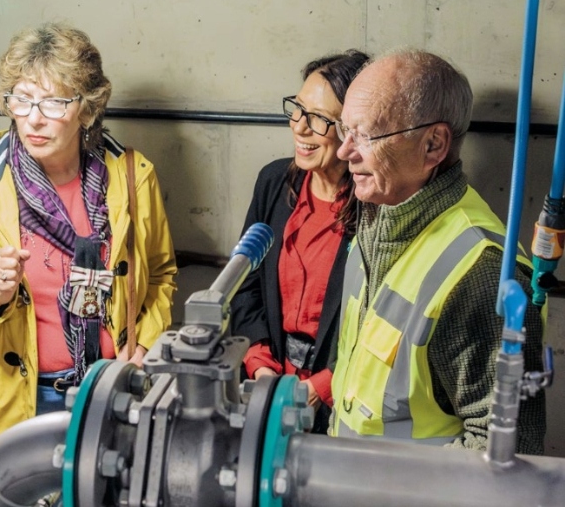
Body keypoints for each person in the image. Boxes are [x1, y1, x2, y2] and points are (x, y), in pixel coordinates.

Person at [0, 22, 177, 467]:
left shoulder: (132, 177)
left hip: (111, 390)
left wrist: (146, 345)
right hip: (17, 400)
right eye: (22, 98)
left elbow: (161, 276)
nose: (34, 117)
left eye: (55, 102)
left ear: (86, 108)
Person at [329, 49, 545, 453]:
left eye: (366, 135)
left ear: (433, 144)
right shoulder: (376, 221)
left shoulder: (481, 271)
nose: (344, 152)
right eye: (344, 131)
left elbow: (502, 457)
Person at [231, 49, 369, 433]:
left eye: (320, 119)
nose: (299, 127)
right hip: (270, 387)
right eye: (298, 108)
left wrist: (320, 386)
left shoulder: (377, 210)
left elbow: (379, 326)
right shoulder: (274, 183)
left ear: (351, 131)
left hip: (342, 400)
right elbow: (246, 285)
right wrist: (260, 365)